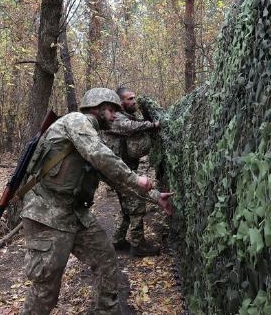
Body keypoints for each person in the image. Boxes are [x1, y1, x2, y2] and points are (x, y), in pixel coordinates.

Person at [19, 88, 174, 315]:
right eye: (111, 111)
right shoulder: (77, 121)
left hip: (75, 214)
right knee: (46, 290)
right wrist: (136, 178)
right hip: (46, 215)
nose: (114, 117)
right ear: (97, 108)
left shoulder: (92, 136)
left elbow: (114, 178)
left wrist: (154, 197)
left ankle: (105, 311)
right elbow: (100, 156)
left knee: (105, 259)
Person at [102, 87, 161, 257]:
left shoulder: (123, 115)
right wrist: (153, 125)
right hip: (121, 171)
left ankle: (118, 240)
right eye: (130, 99)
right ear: (121, 102)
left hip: (122, 168)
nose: (134, 101)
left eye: (134, 98)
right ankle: (138, 244)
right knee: (136, 205)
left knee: (126, 208)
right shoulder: (116, 118)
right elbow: (129, 127)